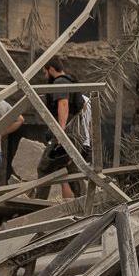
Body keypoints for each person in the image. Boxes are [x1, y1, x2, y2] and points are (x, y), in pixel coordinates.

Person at [37, 60, 93, 200]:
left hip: (66, 134)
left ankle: (38, 204)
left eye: (45, 72)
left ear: (50, 69)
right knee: (73, 170)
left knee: (44, 168)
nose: (45, 76)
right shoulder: (70, 82)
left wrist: (60, 133)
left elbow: (63, 104)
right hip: (75, 135)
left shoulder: (60, 82)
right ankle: (85, 202)